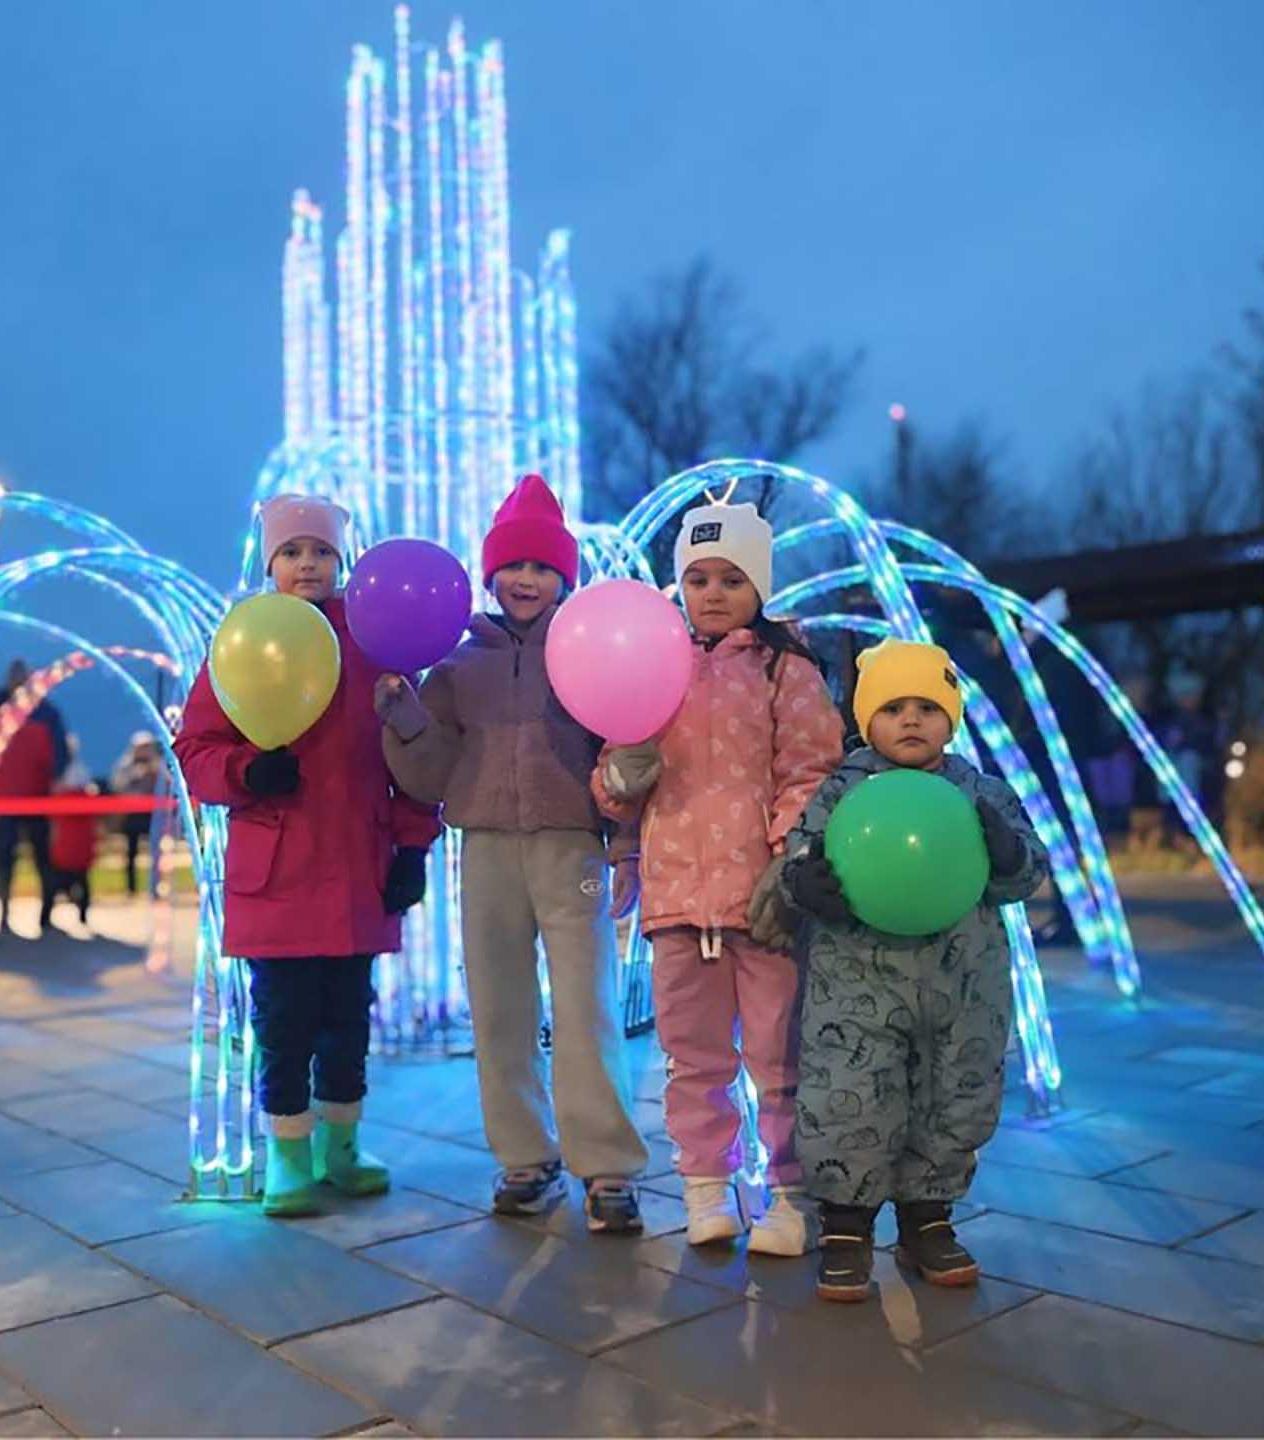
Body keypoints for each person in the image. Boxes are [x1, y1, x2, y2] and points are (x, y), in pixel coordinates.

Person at [375, 473, 648, 1234]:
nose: (527, 581)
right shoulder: (457, 666)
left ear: (566, 577)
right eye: (514, 567)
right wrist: (403, 720)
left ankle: (607, 1169)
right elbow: (429, 776)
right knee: (499, 1009)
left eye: (543, 568)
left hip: (572, 850)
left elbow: (623, 754)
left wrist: (626, 850)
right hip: (487, 850)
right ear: (491, 574)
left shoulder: (590, 653)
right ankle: (525, 1159)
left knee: (588, 1007)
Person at [174, 494, 440, 1217]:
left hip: (358, 867)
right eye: (292, 553)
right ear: (271, 564)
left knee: (349, 1015)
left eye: (321, 552)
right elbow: (196, 747)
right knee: (284, 1020)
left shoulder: (377, 643)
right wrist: (245, 772)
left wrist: (412, 847)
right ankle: (288, 1151)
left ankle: (342, 1145)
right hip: (279, 873)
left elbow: (412, 761)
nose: (307, 565)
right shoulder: (244, 641)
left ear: (341, 559)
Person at [592, 501, 843, 1254]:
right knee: (691, 1055)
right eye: (697, 577)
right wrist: (621, 775)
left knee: (778, 1054)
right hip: (675, 902)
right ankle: (706, 1188)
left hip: (761, 902)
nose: (711, 592)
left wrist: (786, 862)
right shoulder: (652, 664)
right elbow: (611, 783)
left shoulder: (784, 668)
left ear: (759, 585)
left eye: (731, 578)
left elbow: (809, 771)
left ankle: (790, 1195)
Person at [781, 638, 1049, 1302]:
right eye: (894, 706)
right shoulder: (841, 791)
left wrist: (1007, 850)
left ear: (951, 717)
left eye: (928, 707)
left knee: (954, 1097)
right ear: (866, 716)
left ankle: (929, 1218)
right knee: (850, 1093)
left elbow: (1029, 874)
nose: (910, 720)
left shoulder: (981, 793)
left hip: (964, 987)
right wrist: (806, 883)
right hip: (856, 983)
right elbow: (795, 861)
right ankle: (846, 1226)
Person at [0, 666, 58, 936]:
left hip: (35, 798)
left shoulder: (46, 712)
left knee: (42, 858)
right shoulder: (43, 713)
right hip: (8, 800)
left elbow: (59, 754)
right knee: (4, 860)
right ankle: (5, 915)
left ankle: (45, 916)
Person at [50, 741, 97, 926]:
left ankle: (49, 914)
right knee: (80, 877)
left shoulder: (62, 782)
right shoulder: (83, 777)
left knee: (63, 878)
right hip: (80, 839)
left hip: (67, 839)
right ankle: (82, 912)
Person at [112, 731, 164, 895]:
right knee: (131, 852)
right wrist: (136, 775)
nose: (144, 751)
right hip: (132, 814)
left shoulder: (157, 765)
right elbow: (118, 786)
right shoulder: (125, 765)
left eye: (147, 747)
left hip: (152, 814)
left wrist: (153, 772)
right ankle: (131, 888)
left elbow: (167, 785)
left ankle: (155, 886)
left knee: (156, 851)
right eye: (141, 747)